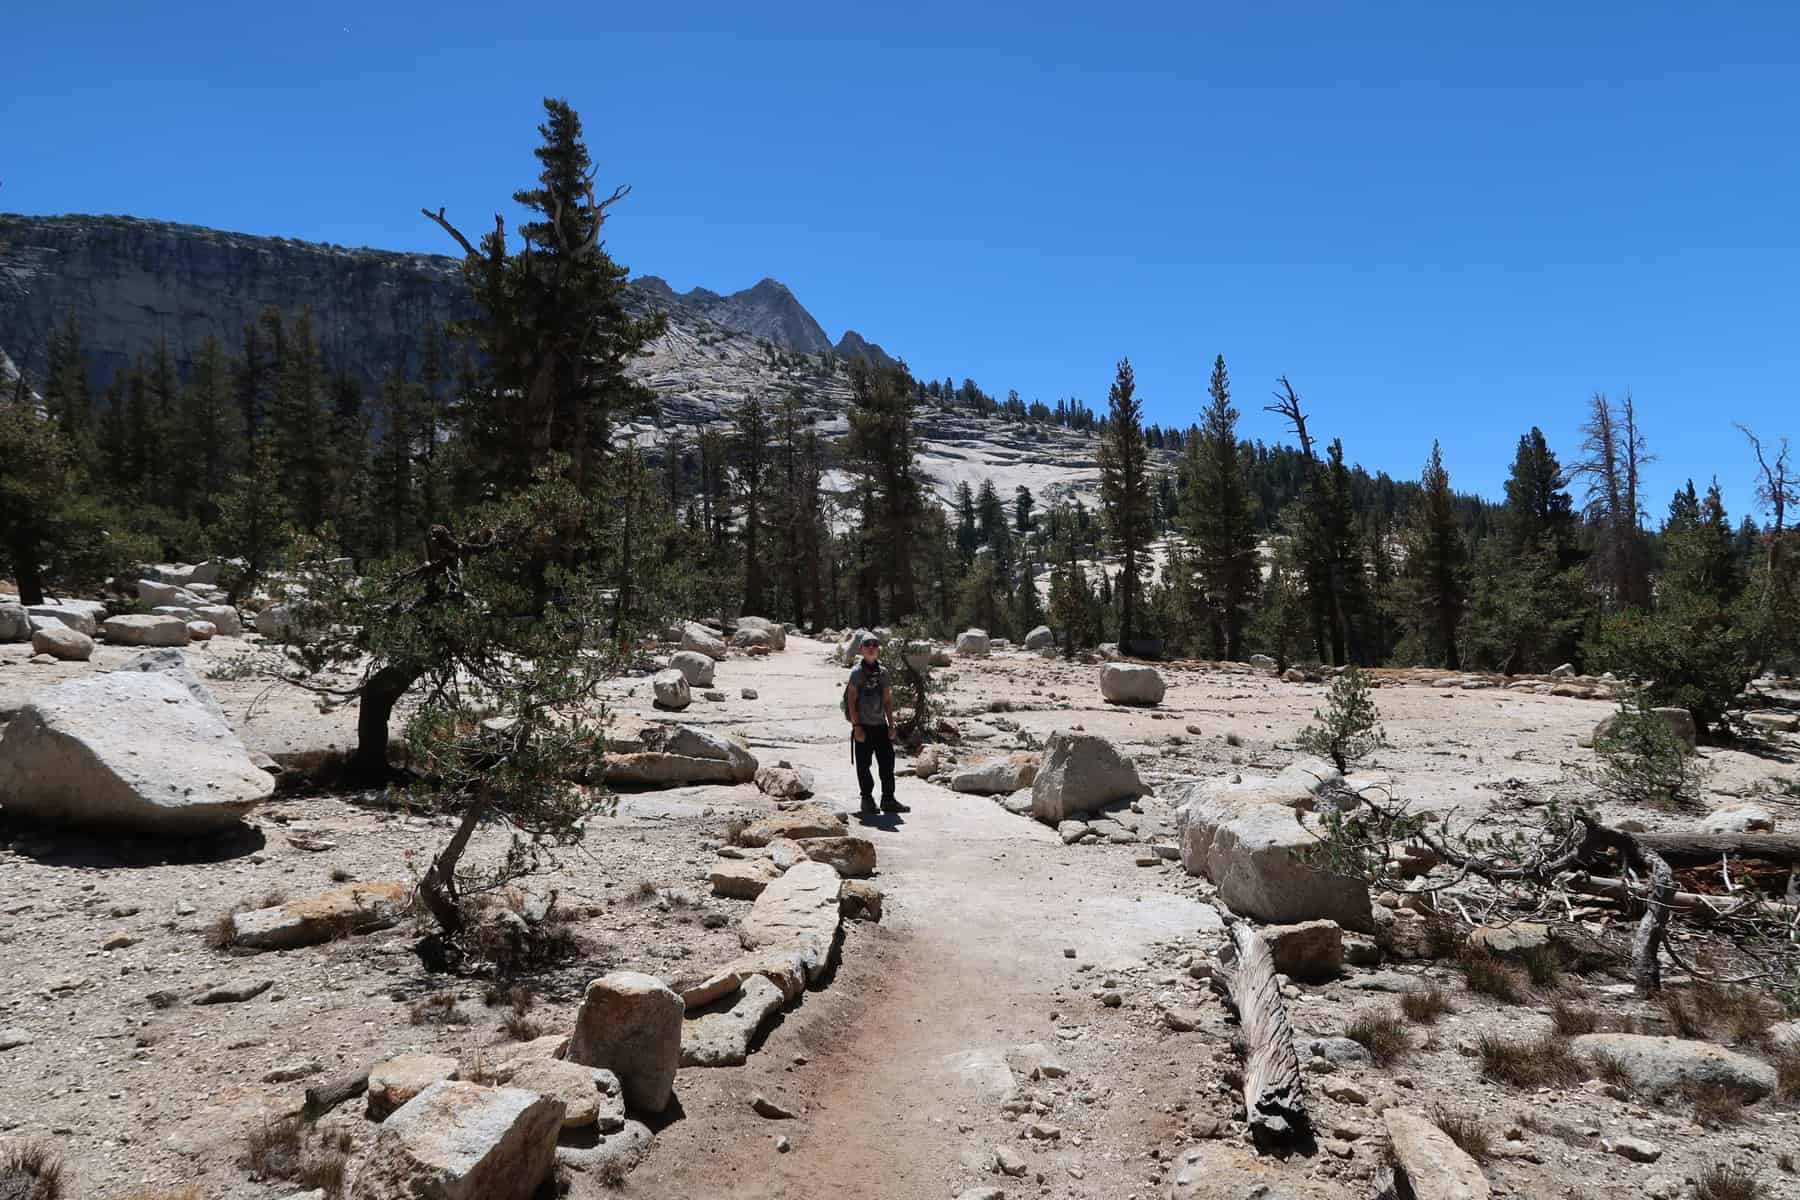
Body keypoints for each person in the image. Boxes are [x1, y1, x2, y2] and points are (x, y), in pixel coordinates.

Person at [845, 634, 910, 819]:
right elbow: (851, 700)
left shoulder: (883, 672)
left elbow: (888, 700)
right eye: (867, 645)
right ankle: (867, 800)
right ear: (861, 649)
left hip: (881, 726)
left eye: (875, 644)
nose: (871, 647)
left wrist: (891, 725)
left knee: (887, 764)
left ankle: (888, 799)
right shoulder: (856, 673)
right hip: (863, 726)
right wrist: (856, 726)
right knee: (863, 766)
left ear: (878, 649)